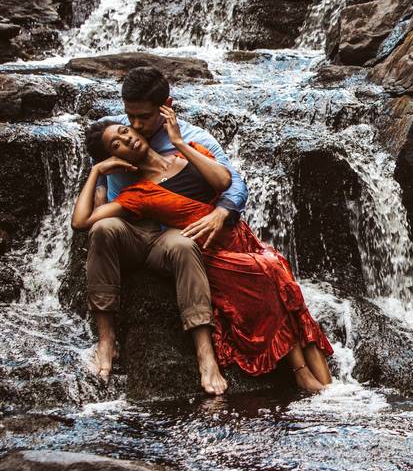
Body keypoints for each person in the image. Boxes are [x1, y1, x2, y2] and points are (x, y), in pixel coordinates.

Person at [72, 107, 335, 393]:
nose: (127, 139)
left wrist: (180, 142)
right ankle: (300, 373)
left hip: (241, 240)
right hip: (211, 254)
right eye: (116, 145)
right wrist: (97, 171)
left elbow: (223, 182)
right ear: (117, 158)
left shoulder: (191, 149)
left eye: (124, 132)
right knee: (268, 269)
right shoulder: (139, 194)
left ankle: (331, 391)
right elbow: (82, 221)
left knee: (277, 267)